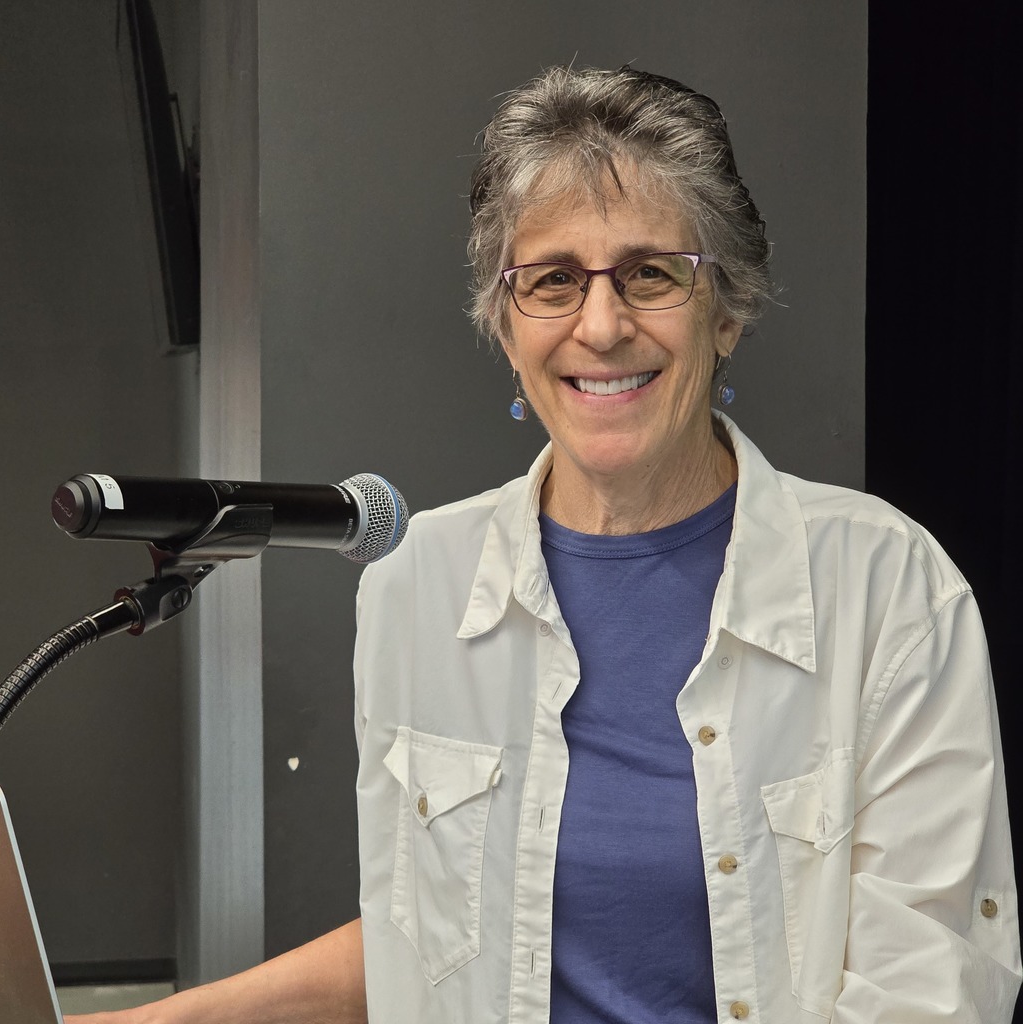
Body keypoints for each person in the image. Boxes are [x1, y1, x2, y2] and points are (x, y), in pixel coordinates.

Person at [69, 64, 1020, 1024]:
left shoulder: (890, 586)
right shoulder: (417, 585)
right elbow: (429, 945)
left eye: (652, 274)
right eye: (554, 281)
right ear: (504, 323)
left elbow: (934, 987)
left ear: (726, 312)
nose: (601, 326)